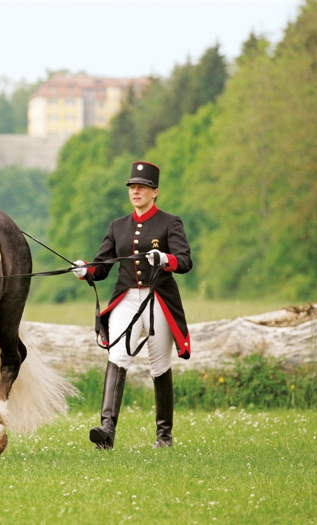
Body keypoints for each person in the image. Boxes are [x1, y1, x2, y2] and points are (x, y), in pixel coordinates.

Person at [72, 161, 192, 450]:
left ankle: (164, 436)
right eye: (132, 187)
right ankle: (107, 431)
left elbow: (185, 261)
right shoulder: (117, 226)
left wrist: (165, 259)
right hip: (126, 299)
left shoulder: (170, 222)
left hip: (158, 301)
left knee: (159, 366)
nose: (135, 191)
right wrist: (84, 269)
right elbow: (101, 267)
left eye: (142, 187)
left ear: (155, 192)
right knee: (118, 356)